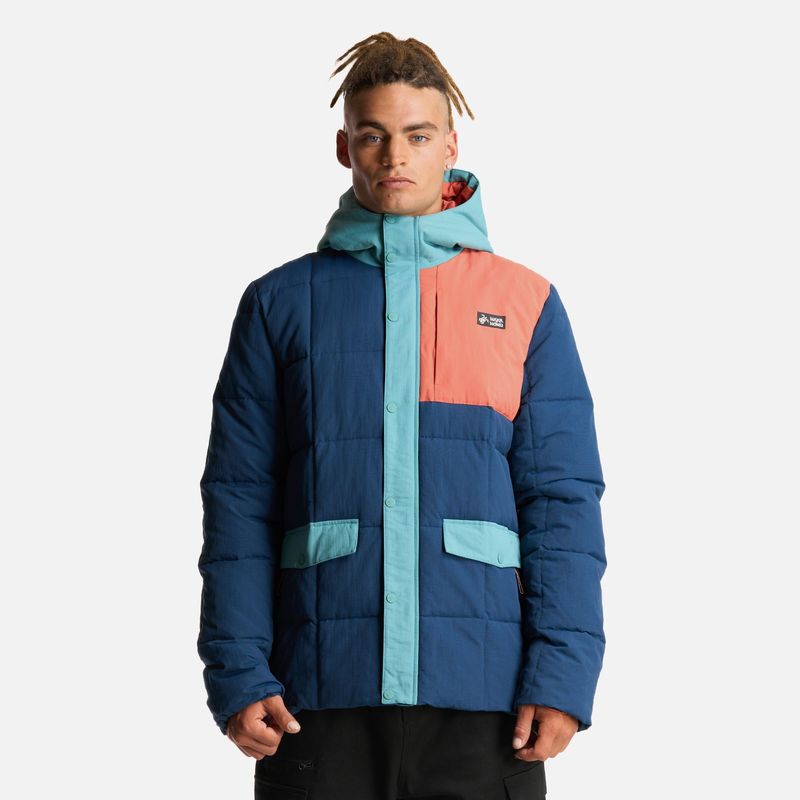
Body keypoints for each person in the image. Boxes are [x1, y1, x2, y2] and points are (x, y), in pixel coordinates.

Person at [197, 31, 607, 800]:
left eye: (417, 136)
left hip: (486, 698)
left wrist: (563, 672)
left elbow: (561, 501)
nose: (395, 157)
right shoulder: (278, 304)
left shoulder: (526, 303)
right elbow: (238, 500)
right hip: (316, 695)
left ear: (450, 144)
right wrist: (238, 669)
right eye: (374, 136)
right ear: (343, 146)